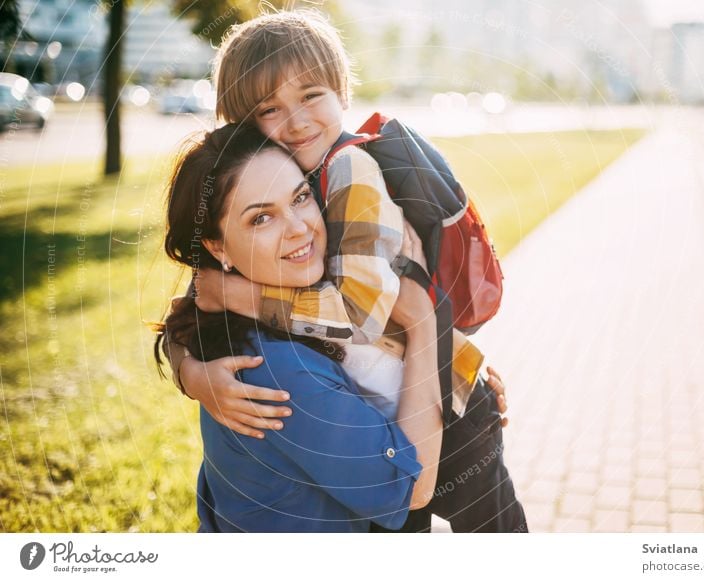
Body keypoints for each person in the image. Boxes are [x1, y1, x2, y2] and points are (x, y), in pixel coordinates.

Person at [166, 9, 527, 533]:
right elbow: (192, 304)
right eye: (269, 109)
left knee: (499, 535)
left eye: (311, 95)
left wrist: (242, 297)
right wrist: (194, 375)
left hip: (445, 411)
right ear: (242, 127)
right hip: (389, 414)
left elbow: (358, 312)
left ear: (342, 93)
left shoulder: (351, 171)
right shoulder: (282, 182)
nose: (297, 121)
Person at [155, 123, 443, 532]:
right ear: (217, 248)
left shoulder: (266, 311)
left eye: (301, 197)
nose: (299, 227)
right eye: (261, 218)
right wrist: (424, 326)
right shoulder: (279, 370)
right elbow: (413, 488)